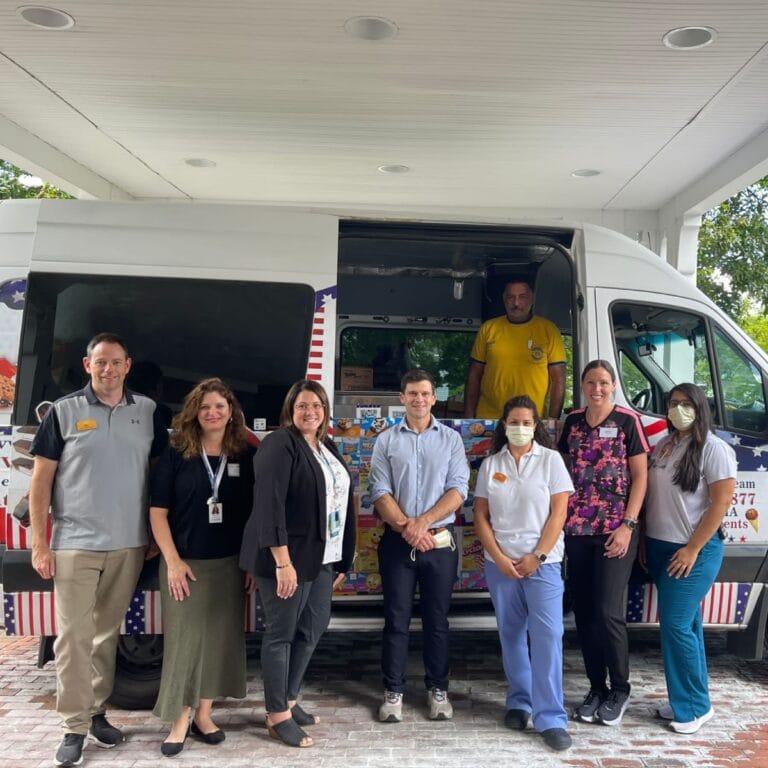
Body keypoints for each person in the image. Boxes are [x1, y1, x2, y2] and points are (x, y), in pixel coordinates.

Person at [28, 332, 168, 768]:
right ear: (88, 366)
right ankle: (73, 726)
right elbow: (41, 481)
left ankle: (97, 713)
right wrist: (40, 542)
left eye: (116, 362)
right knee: (73, 636)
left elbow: (156, 475)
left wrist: (149, 533)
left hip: (128, 545)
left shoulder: (146, 412)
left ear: (128, 365)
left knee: (108, 635)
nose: (108, 370)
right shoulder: (64, 411)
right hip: (74, 544)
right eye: (99, 362)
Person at [239, 380, 356, 748]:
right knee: (282, 635)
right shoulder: (279, 444)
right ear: (290, 409)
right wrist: (281, 562)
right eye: (303, 406)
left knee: (313, 628)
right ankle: (277, 717)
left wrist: (340, 561)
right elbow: (269, 505)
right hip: (287, 559)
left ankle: (289, 699)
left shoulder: (325, 446)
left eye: (317, 406)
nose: (311, 412)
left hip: (322, 558)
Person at [149, 378, 256, 756]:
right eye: (206, 406)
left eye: (220, 407)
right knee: (185, 644)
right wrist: (173, 562)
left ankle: (204, 715)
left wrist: (249, 566)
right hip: (186, 565)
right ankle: (179, 720)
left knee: (220, 642)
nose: (213, 413)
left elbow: (252, 516)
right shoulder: (178, 450)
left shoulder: (243, 453)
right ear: (195, 412)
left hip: (228, 565)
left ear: (231, 413)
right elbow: (157, 513)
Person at [473, 395, 574, 751]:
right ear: (504, 425)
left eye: (526, 422)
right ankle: (519, 701)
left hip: (542, 564)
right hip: (501, 564)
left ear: (536, 426)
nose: (519, 428)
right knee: (511, 634)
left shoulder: (551, 461)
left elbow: (558, 514)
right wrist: (499, 558)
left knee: (548, 636)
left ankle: (551, 717)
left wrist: (538, 555)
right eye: (513, 422)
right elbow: (481, 517)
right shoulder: (492, 464)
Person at [369, 369, 469, 723]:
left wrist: (422, 524)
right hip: (398, 544)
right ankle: (392, 691)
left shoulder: (452, 440)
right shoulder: (386, 440)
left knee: (437, 621)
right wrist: (408, 529)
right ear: (402, 397)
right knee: (395, 620)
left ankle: (438, 690)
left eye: (425, 393)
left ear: (434, 397)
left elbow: (459, 489)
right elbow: (379, 491)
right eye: (412, 393)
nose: (419, 399)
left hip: (439, 543)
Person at [557, 359, 649, 726]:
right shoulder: (573, 422)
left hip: (616, 531)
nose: (597, 388)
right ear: (583, 385)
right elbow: (562, 471)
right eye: (591, 382)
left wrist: (628, 525)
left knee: (609, 611)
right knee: (584, 612)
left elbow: (640, 478)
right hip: (578, 530)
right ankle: (596, 687)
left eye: (604, 382)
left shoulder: (628, 422)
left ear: (613, 386)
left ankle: (620, 688)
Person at [644, 383, 736, 734]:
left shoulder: (715, 449)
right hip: (660, 547)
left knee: (676, 626)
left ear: (700, 408)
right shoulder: (664, 445)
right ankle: (690, 699)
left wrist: (693, 549)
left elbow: (720, 503)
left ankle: (694, 709)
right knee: (690, 627)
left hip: (692, 550)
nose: (678, 409)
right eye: (672, 403)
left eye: (685, 404)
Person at [464, 278, 566, 419]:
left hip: (530, 421)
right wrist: (469, 416)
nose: (516, 303)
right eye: (511, 297)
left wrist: (553, 421)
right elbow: (474, 375)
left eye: (522, 297)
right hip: (489, 419)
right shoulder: (488, 328)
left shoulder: (549, 330)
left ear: (532, 298)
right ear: (504, 299)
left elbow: (558, 379)